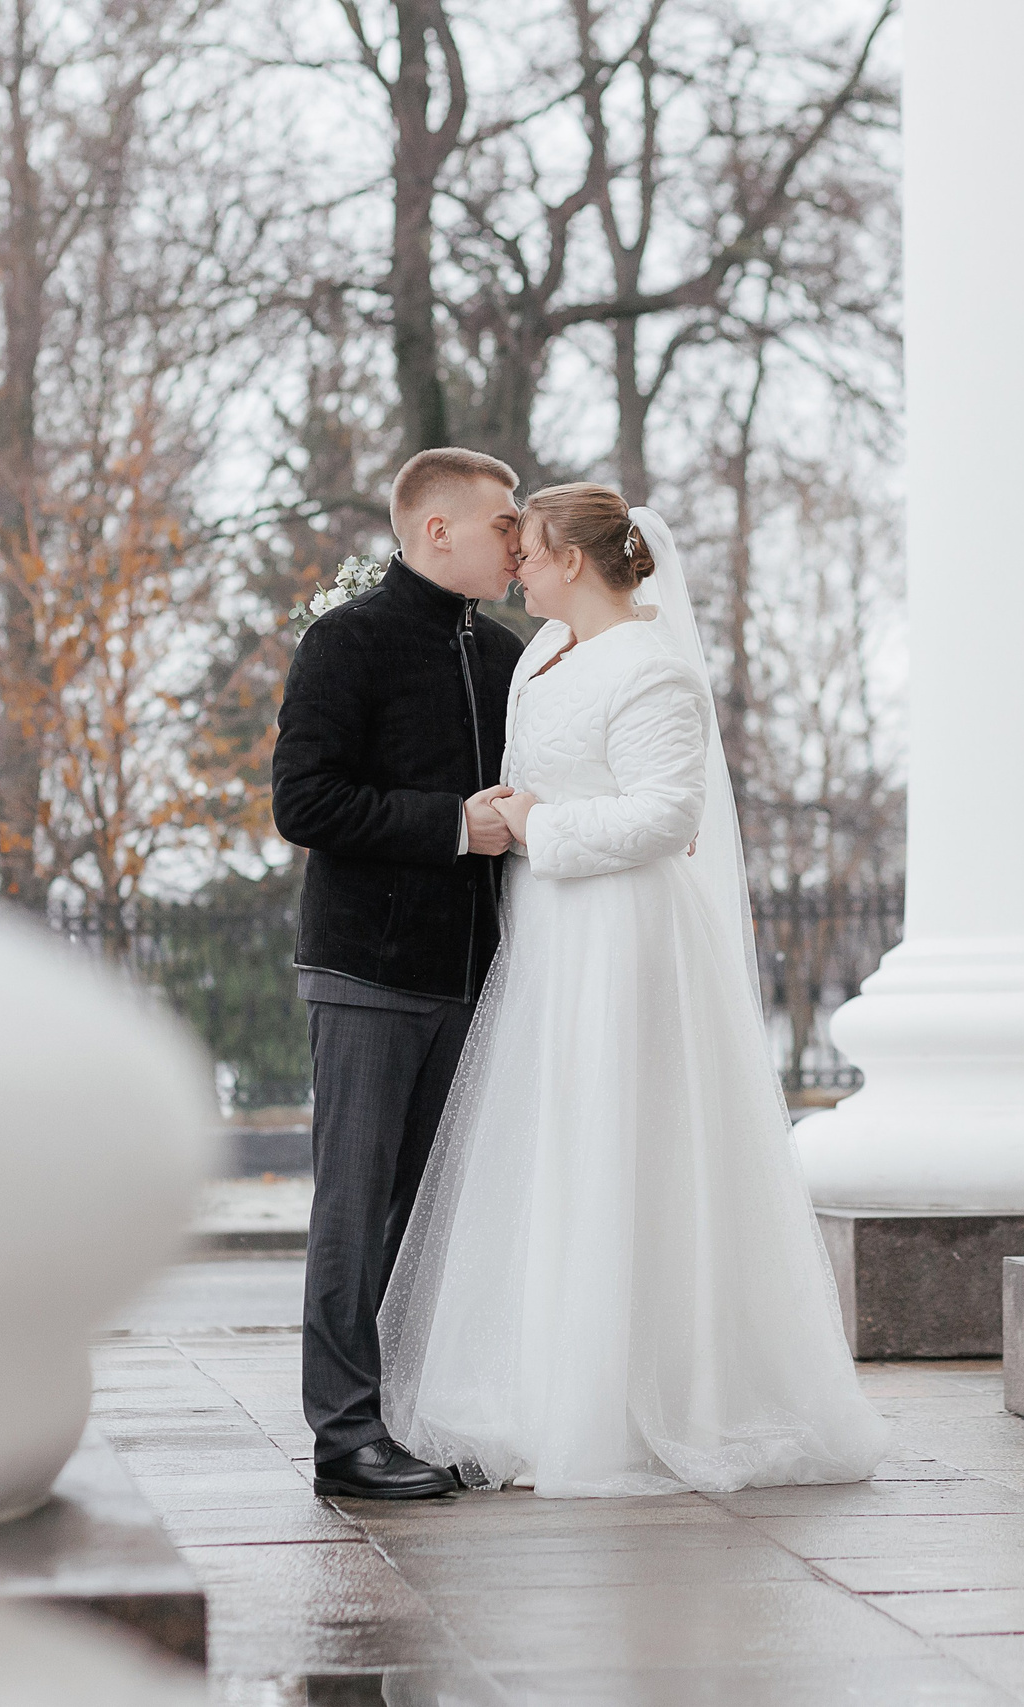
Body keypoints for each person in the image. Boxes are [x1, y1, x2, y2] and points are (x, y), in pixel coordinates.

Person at [378, 484, 890, 1497]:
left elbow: (665, 816)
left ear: (573, 561)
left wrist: (536, 825)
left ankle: (647, 1399)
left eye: (530, 551)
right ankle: (549, 1388)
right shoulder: (542, 654)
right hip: (549, 935)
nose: (516, 567)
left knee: (625, 1146)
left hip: (619, 936)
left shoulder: (653, 671)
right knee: (557, 1148)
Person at [270, 447, 527, 1500]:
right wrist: (454, 825)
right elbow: (304, 801)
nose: (519, 541)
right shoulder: (347, 641)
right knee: (355, 1211)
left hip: (474, 977)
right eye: (504, 522)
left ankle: (412, 1419)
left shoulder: (506, 654)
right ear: (436, 529)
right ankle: (346, 1437)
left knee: (433, 1223)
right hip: (368, 972)